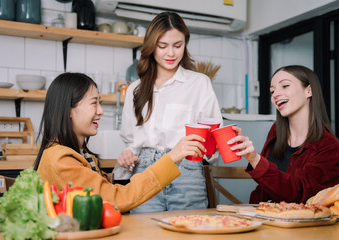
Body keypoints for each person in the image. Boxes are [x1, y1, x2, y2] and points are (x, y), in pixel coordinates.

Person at [33, 72, 207, 213]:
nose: (100, 111)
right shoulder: (61, 160)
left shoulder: (73, 154)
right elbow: (117, 199)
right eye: (94, 103)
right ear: (69, 110)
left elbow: (100, 191)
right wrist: (172, 157)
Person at [118, 12, 222, 213]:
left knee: (190, 231)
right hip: (146, 171)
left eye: (178, 45)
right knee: (143, 232)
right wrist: (128, 154)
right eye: (162, 46)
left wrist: (217, 143)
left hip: (187, 171)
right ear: (151, 46)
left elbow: (213, 141)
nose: (171, 53)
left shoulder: (199, 83)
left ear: (185, 44)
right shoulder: (136, 89)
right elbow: (131, 141)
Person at [229, 65, 339, 203]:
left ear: (309, 91)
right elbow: (262, 189)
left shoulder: (331, 147)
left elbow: (299, 193)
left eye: (285, 86)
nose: (275, 94)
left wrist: (255, 160)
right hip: (264, 217)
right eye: (272, 90)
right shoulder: (275, 132)